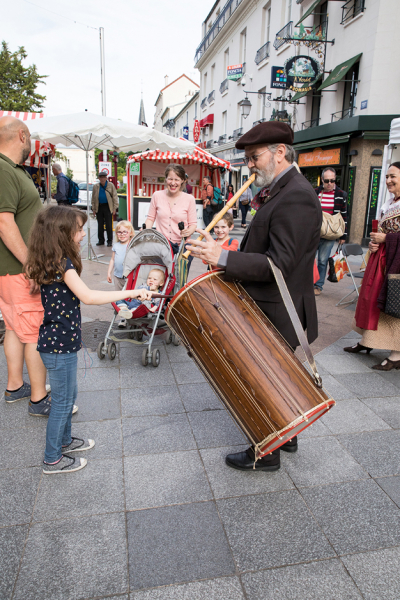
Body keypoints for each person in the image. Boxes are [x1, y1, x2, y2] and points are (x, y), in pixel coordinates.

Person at [187, 121, 322, 473]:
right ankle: (288, 436)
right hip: (274, 303)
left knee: (262, 382)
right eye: (247, 158)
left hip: (279, 306)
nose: (249, 165)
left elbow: (280, 264)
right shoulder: (283, 189)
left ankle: (265, 453)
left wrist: (222, 257)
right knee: (281, 378)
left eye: (253, 157)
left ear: (280, 152)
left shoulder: (295, 195)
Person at [24, 205, 151, 474]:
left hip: (60, 343)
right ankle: (52, 458)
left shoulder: (53, 260)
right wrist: (132, 291)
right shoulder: (63, 264)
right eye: (79, 230)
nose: (83, 234)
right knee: (62, 402)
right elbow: (89, 297)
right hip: (59, 347)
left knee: (68, 397)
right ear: (62, 233)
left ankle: (66, 441)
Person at [0, 115, 50, 415]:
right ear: (21, 135)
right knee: (34, 331)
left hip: (11, 271)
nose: (30, 144)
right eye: (29, 138)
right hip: (19, 271)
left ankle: (16, 386)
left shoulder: (12, 170)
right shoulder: (4, 169)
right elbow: (4, 223)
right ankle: (39, 399)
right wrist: (31, 264)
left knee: (16, 330)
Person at [344, 162, 400, 370]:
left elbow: (391, 236)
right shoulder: (391, 203)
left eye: (393, 176)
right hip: (382, 260)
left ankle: (396, 355)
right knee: (370, 300)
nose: (388, 181)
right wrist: (375, 243)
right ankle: (367, 341)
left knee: (390, 306)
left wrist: (387, 238)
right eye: (386, 177)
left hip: (395, 265)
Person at [145, 164, 197, 260]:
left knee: (178, 275)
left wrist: (188, 231)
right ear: (165, 179)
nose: (173, 183)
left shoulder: (189, 199)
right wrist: (146, 232)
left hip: (183, 247)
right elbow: (150, 218)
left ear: (183, 180)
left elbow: (193, 224)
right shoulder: (157, 196)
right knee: (160, 274)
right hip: (161, 246)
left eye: (177, 179)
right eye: (170, 179)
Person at [314, 167, 347, 296]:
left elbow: (344, 215)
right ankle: (307, 283)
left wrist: (343, 235)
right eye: (326, 180)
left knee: (322, 260)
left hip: (330, 233)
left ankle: (318, 285)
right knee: (309, 259)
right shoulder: (315, 192)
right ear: (322, 180)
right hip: (314, 232)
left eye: (332, 180)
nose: (329, 183)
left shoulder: (340, 194)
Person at [91, 171, 119, 247]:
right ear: (99, 178)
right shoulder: (96, 186)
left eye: (104, 177)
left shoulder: (111, 185)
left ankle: (109, 241)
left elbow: (115, 197)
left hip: (108, 207)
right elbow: (93, 198)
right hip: (99, 207)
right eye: (101, 177)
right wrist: (93, 209)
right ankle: (101, 240)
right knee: (100, 224)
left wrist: (114, 208)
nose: (102, 179)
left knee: (109, 225)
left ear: (106, 178)